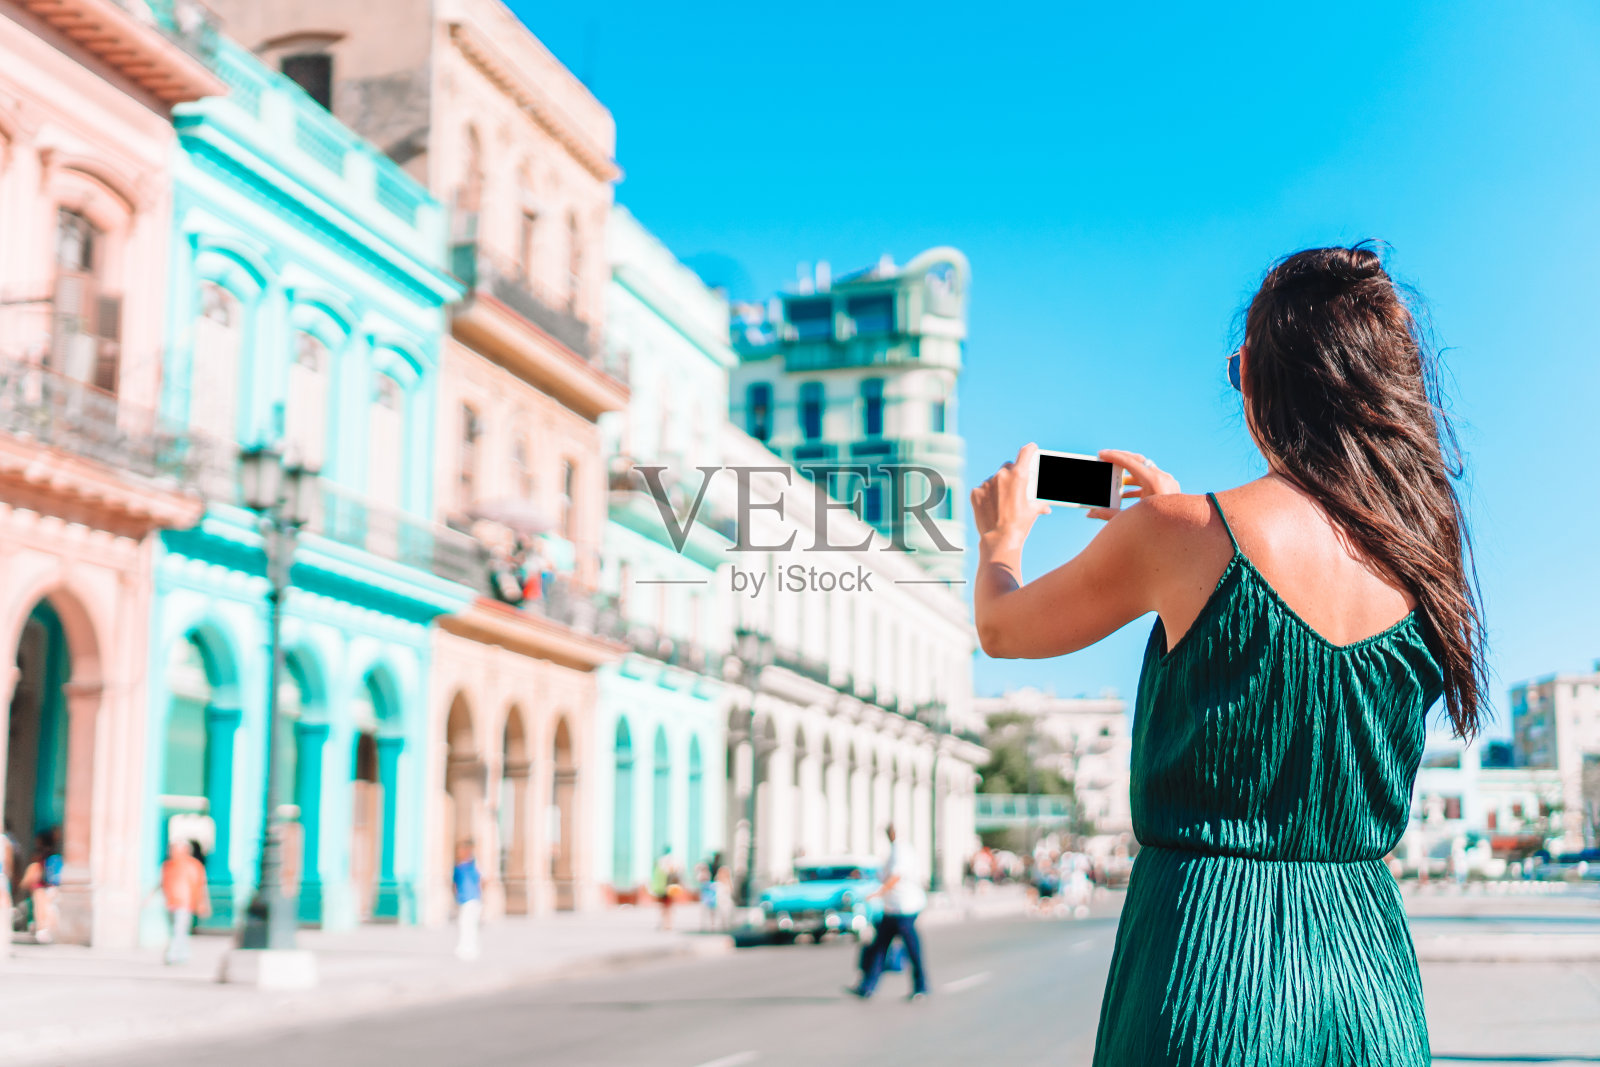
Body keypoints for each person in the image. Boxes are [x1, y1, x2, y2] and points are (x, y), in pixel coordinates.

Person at [971, 244, 1485, 1066]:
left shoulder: (1181, 537)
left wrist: (1003, 537)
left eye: (1238, 364)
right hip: (1367, 965)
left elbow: (1002, 629)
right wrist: (1173, 516)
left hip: (1209, 955)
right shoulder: (1426, 560)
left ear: (1263, 381)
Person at [846, 824, 929, 1002]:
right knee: (879, 948)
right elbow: (884, 873)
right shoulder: (893, 850)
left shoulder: (901, 849)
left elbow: (896, 876)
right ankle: (867, 987)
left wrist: (879, 892)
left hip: (904, 908)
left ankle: (921, 986)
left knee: (911, 948)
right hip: (891, 909)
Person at [153, 840, 210, 964]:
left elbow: (200, 885)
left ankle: (173, 955)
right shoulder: (168, 865)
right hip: (170, 903)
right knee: (177, 930)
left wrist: (202, 903)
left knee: (179, 929)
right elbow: (161, 883)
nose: (172, 852)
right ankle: (183, 954)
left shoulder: (193, 865)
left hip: (184, 903)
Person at [18, 829, 61, 944]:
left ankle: (43, 931)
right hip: (50, 885)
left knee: (42, 908)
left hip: (42, 885)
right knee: (49, 908)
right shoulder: (54, 855)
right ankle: (46, 931)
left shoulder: (42, 856)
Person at [452, 840, 482, 961]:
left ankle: (469, 948)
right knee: (466, 924)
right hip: (467, 898)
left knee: (468, 924)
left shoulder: (468, 867)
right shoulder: (463, 867)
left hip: (471, 899)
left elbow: (479, 882)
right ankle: (466, 947)